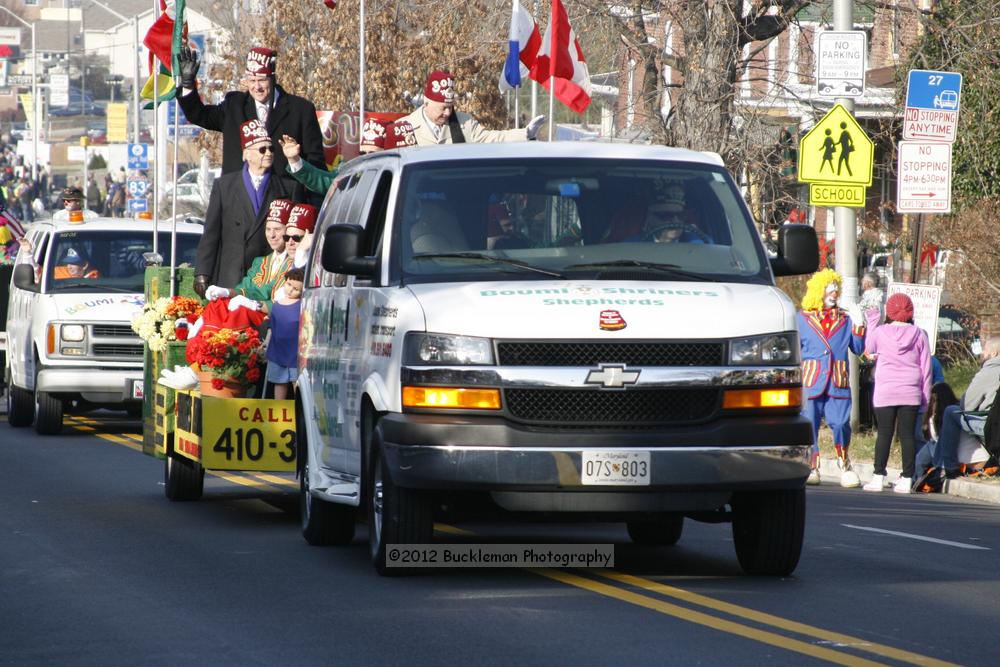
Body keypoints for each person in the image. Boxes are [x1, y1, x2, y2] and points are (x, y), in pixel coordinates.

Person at [194, 120, 305, 296]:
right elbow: (211, 233)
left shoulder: (288, 188)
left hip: (270, 275)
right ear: (246, 154)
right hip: (231, 273)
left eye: (271, 149)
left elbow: (297, 235)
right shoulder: (224, 186)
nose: (268, 153)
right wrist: (202, 272)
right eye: (262, 149)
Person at [177, 46, 325, 176]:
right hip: (241, 199)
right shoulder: (234, 106)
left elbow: (316, 162)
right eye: (252, 81)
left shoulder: (301, 110)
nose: (257, 87)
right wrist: (188, 84)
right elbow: (199, 115)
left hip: (284, 200)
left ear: (273, 79)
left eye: (262, 80)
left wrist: (296, 161)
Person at [797, 269, 866, 487]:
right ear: (819, 291)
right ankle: (811, 466)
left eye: (836, 290)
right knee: (809, 426)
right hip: (811, 380)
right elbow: (795, 350)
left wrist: (859, 324)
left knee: (840, 423)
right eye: (830, 290)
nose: (834, 294)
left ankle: (844, 464)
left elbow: (858, 348)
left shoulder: (845, 319)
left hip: (838, 380)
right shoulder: (802, 318)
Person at [862, 293, 932, 493]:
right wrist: (925, 400)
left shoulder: (881, 332)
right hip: (910, 391)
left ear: (889, 311)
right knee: (907, 435)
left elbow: (868, 348)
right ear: (910, 311)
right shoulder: (919, 334)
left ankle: (878, 476)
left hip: (885, 390)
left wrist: (873, 317)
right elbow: (926, 369)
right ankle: (907, 478)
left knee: (884, 433)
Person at [918, 337, 1000, 480]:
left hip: (990, 424)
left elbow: (967, 405)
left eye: (984, 351)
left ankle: (946, 466)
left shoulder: (989, 371)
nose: (982, 354)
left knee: (951, 411)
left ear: (994, 353)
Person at [399, 70, 546, 145]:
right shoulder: (404, 127)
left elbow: (492, 139)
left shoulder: (464, 124)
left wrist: (525, 133)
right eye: (443, 108)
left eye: (450, 107)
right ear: (426, 102)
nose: (448, 112)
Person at [205, 198, 293, 313]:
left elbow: (266, 291)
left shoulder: (295, 262)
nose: (271, 235)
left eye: (277, 229)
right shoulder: (260, 262)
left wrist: (231, 292)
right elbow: (244, 287)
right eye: (268, 229)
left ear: (288, 231)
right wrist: (227, 292)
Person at [265, 267, 304, 400]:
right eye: (288, 284)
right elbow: (271, 327)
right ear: (285, 281)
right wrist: (265, 344)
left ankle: (298, 412)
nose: (290, 290)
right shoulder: (277, 305)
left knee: (297, 383)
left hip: (295, 352)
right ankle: (278, 411)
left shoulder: (302, 305)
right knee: (279, 382)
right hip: (277, 350)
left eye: (296, 289)